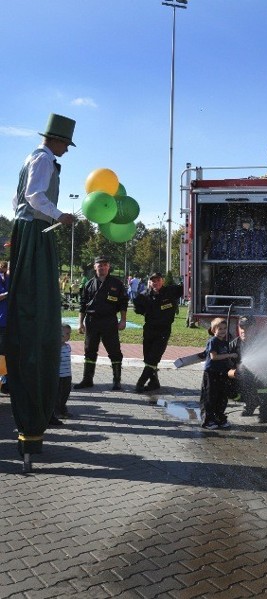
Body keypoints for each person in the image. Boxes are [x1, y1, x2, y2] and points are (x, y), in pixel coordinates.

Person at [7, 113, 77, 463]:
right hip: (34, 231)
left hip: (30, 231)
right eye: (66, 143)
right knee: (35, 306)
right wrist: (60, 215)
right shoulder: (43, 159)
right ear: (56, 140)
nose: (66, 149)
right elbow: (34, 197)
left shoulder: (35, 158)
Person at [75, 256, 128, 391]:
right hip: (92, 321)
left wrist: (123, 320)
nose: (102, 267)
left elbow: (123, 303)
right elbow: (82, 305)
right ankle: (87, 380)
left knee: (114, 351)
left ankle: (117, 381)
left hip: (109, 321)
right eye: (99, 265)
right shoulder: (88, 284)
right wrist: (80, 323)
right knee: (89, 350)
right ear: (95, 267)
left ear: (108, 267)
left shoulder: (116, 283)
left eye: (105, 265)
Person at [132, 272, 183, 394]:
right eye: (153, 281)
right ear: (149, 282)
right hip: (149, 329)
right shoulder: (144, 296)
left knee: (153, 357)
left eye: (158, 280)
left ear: (162, 281)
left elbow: (186, 286)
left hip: (163, 330)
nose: (156, 283)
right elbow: (136, 308)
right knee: (148, 357)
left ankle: (140, 382)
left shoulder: (171, 291)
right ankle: (154, 383)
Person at [227, 315, 267, 423]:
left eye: (248, 327)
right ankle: (250, 403)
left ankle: (265, 408)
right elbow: (225, 368)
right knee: (222, 381)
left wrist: (262, 369)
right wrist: (233, 373)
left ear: (255, 328)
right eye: (242, 327)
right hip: (242, 378)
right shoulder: (233, 345)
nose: (244, 330)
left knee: (265, 379)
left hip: (262, 377)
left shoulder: (263, 343)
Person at [201, 317, 237, 430]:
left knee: (222, 397)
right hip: (211, 373)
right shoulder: (213, 341)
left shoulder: (225, 343)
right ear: (213, 330)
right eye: (220, 328)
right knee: (210, 397)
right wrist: (230, 356)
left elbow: (225, 360)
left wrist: (232, 365)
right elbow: (214, 357)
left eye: (224, 328)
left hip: (222, 373)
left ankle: (219, 417)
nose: (222, 331)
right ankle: (208, 421)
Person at [54, 324, 73, 421]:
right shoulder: (55, 348)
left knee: (66, 392)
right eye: (67, 333)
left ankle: (62, 408)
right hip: (59, 376)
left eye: (69, 333)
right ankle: (56, 411)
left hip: (67, 375)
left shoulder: (68, 347)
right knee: (58, 394)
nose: (69, 335)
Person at [0, 261, 9, 394]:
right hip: (1, 321)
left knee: (5, 354)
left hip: (7, 322)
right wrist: (9, 293)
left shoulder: (8, 279)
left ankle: (4, 383)